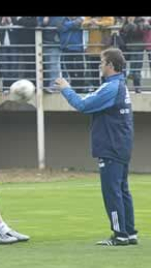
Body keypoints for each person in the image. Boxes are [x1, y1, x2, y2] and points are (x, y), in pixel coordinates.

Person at [55, 48, 138, 246]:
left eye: (101, 62)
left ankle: (120, 235)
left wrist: (66, 88)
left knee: (112, 192)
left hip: (111, 146)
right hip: (122, 144)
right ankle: (130, 232)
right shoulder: (119, 85)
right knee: (123, 190)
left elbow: (83, 105)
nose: (99, 66)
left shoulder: (110, 87)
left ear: (110, 65)